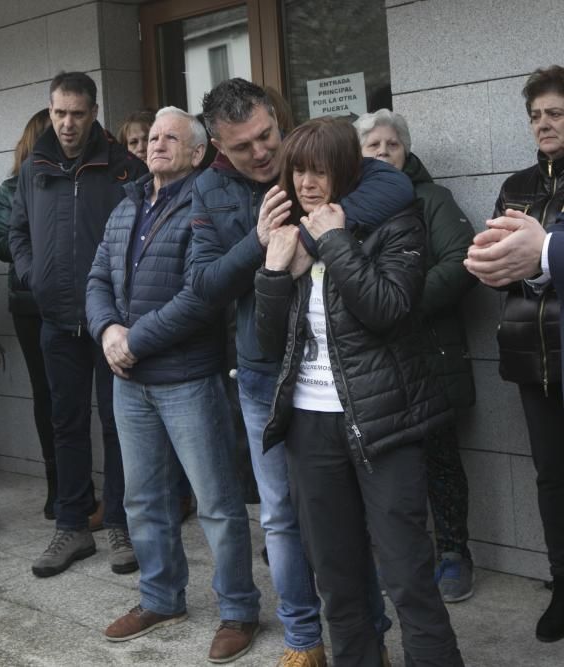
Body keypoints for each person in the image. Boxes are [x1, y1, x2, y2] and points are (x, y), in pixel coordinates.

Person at [190, 78, 413, 666]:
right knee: (284, 518)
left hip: (343, 371)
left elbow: (392, 182)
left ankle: (368, 635)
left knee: (349, 521)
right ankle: (302, 638)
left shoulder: (317, 157)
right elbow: (205, 283)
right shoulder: (207, 190)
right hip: (265, 371)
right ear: (217, 145)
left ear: (277, 117)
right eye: (243, 147)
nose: (263, 154)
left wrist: (317, 229)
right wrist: (262, 242)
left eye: (267, 135)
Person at [253, 117, 463, 667]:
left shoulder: (395, 224)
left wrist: (335, 241)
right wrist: (273, 271)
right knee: (338, 583)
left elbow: (388, 309)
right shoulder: (289, 238)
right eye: (297, 169)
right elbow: (265, 342)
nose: (306, 182)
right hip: (310, 424)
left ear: (347, 170)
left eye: (318, 169)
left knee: (408, 576)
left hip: (384, 419)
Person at [86, 106, 262, 663]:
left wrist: (134, 340)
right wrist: (109, 328)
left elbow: (201, 296)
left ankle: (238, 610)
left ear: (197, 151)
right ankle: (161, 598)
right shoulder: (129, 202)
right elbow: (96, 278)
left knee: (216, 502)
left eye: (172, 138)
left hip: (187, 378)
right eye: (153, 137)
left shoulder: (204, 204)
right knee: (142, 500)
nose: (158, 145)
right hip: (129, 380)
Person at [9, 70, 148, 578]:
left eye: (77, 113)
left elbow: (141, 236)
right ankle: (70, 527)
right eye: (58, 112)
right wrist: (33, 277)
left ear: (94, 113)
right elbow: (18, 230)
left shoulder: (124, 169)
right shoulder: (34, 167)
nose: (66, 123)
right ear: (50, 111)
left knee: (118, 426)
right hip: (55, 318)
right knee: (65, 424)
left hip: (110, 321)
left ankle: (119, 523)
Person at [355, 109, 479, 603]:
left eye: (392, 145)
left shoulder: (432, 200)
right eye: (373, 146)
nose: (383, 153)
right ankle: (406, 558)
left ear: (406, 151)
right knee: (388, 469)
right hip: (376, 364)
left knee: (442, 461)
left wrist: (397, 303)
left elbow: (462, 263)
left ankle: (454, 554)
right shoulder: (353, 205)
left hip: (429, 352)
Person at [463, 64, 564, 643]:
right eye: (535, 116)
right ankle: (562, 583)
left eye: (554, 113)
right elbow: (504, 267)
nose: (543, 124)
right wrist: (492, 266)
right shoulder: (517, 185)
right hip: (534, 358)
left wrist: (540, 261)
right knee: (551, 479)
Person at [0, 108, 57, 519]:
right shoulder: (12, 187)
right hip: (32, 302)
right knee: (46, 394)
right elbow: (0, 241)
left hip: (83, 301)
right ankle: (57, 484)